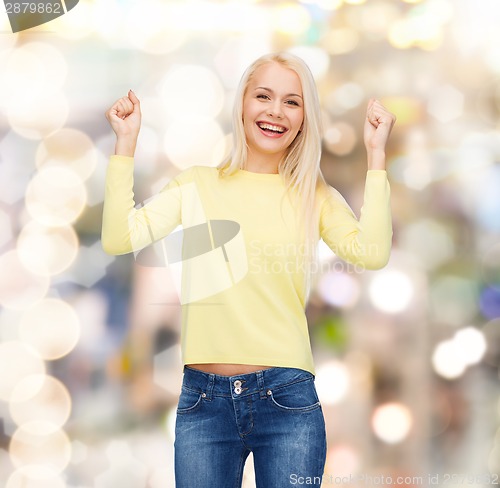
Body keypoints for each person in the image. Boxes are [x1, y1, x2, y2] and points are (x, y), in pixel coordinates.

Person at [102, 51, 395, 487]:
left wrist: (376, 156)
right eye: (264, 96)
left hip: (288, 400)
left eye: (292, 102)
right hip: (204, 401)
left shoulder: (311, 194)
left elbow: (371, 252)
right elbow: (119, 238)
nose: (276, 111)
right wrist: (125, 144)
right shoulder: (196, 184)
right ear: (242, 104)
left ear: (303, 118)